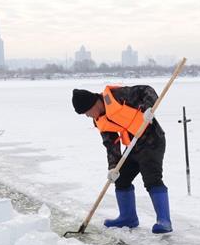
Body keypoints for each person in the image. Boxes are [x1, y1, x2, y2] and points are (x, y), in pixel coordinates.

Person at [72, 85, 172, 233]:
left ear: (93, 104)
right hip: (134, 146)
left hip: (152, 140)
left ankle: (164, 221)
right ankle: (128, 218)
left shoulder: (117, 95)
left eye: (87, 112)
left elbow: (147, 90)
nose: (88, 116)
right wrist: (113, 167)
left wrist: (148, 108)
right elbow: (111, 143)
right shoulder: (99, 120)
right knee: (121, 178)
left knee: (152, 179)